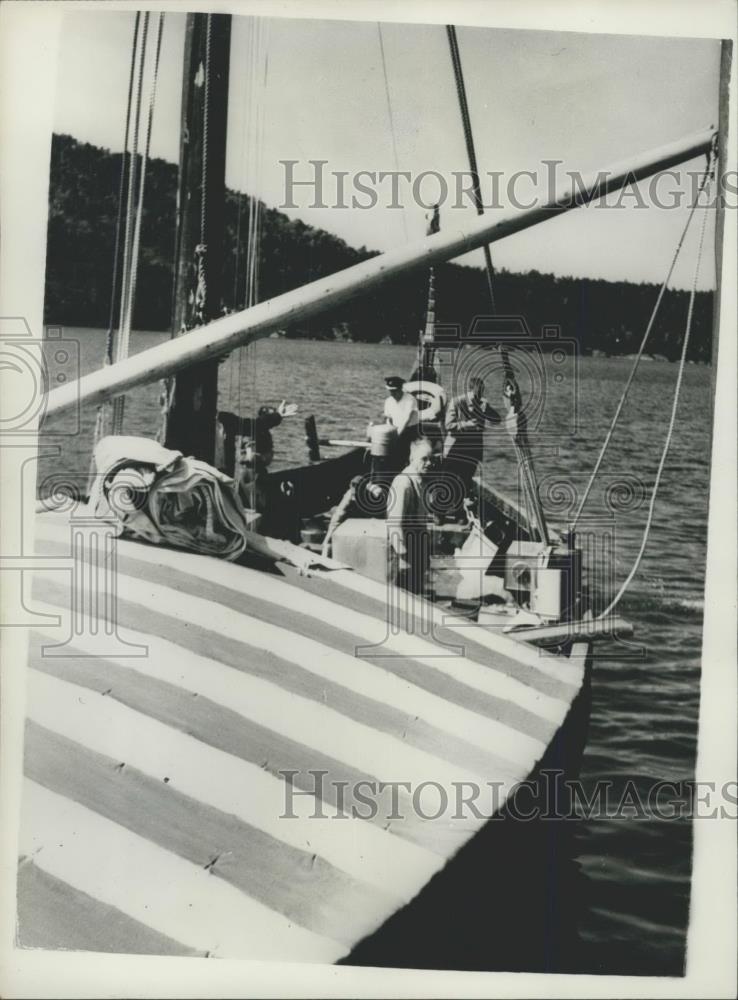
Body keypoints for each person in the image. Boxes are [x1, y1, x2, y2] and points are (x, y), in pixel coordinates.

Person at [442, 377, 501, 519]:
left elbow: (497, 420)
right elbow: (448, 425)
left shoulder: (483, 404)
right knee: (448, 480)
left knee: (465, 481)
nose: (478, 397)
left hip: (472, 449)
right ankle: (440, 512)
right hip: (455, 447)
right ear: (470, 391)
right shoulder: (457, 402)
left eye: (481, 393)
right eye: (476, 394)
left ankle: (458, 512)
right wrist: (467, 424)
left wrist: (487, 410)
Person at [386, 437, 435, 594]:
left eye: (431, 459)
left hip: (417, 545)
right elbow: (394, 523)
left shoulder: (422, 481)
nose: (429, 463)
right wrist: (403, 555)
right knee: (402, 595)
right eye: (424, 459)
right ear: (412, 458)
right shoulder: (403, 483)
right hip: (405, 552)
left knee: (415, 594)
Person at [320, 474, 384, 558]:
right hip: (356, 516)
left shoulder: (376, 494)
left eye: (356, 494)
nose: (354, 497)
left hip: (372, 516)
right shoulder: (349, 496)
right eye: (353, 494)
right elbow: (337, 518)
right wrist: (327, 540)